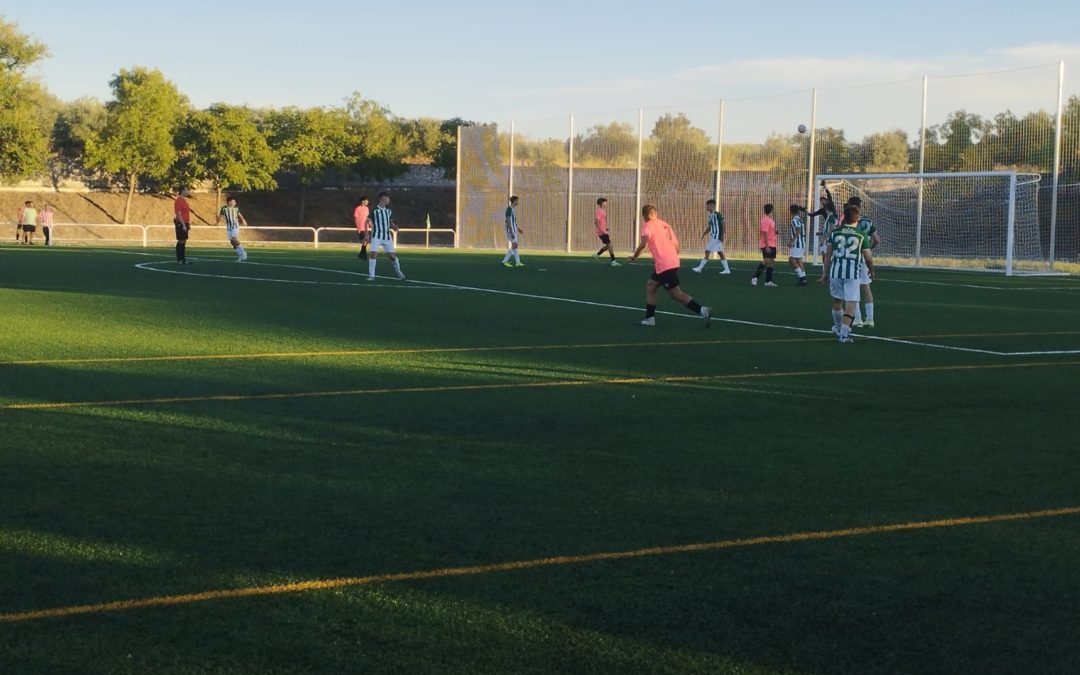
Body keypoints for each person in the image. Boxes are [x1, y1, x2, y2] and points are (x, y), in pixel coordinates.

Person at [627, 204, 711, 327]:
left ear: (646, 215)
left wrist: (634, 257)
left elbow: (644, 244)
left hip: (664, 264)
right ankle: (650, 319)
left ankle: (703, 310)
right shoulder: (664, 224)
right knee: (651, 286)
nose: (644, 219)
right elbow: (676, 245)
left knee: (676, 294)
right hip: (670, 262)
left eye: (644, 216)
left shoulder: (647, 226)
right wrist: (673, 257)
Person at [819, 203, 874, 344]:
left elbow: (828, 255)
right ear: (857, 218)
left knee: (837, 301)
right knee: (851, 303)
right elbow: (868, 257)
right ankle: (844, 334)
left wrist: (825, 273)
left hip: (835, 272)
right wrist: (871, 270)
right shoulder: (861, 235)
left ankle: (838, 328)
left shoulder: (835, 233)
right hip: (852, 274)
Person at [847, 196, 880, 327]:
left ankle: (858, 319)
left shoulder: (850, 220)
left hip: (853, 257)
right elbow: (876, 239)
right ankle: (870, 319)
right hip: (864, 257)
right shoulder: (867, 221)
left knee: (853, 288)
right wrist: (869, 249)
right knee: (866, 287)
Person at [365, 191, 405, 281]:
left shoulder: (388, 211)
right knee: (373, 254)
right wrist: (367, 234)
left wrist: (394, 226)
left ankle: (398, 272)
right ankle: (372, 276)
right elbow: (366, 221)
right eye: (388, 198)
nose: (389, 200)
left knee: (392, 256)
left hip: (386, 236)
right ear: (383, 198)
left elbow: (390, 222)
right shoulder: (374, 210)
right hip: (376, 235)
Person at [692, 199, 730, 274]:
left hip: (717, 237)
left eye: (707, 206)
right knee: (720, 253)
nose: (706, 207)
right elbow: (710, 227)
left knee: (707, 250)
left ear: (711, 206)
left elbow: (723, 223)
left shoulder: (717, 214)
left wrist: (722, 235)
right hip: (714, 236)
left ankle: (699, 268)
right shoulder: (710, 216)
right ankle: (727, 270)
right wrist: (704, 233)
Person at [807, 180, 836, 262]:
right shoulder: (822, 210)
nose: (822, 201)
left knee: (827, 251)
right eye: (821, 201)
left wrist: (825, 187)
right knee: (823, 251)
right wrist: (804, 210)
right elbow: (812, 214)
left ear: (827, 201)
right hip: (829, 230)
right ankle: (826, 264)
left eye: (824, 200)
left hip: (833, 227)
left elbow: (829, 195)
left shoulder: (831, 207)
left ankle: (827, 264)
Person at [752, 203, 778, 286]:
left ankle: (768, 281)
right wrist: (767, 246)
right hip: (767, 244)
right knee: (766, 260)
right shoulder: (765, 220)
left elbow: (770, 231)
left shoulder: (771, 220)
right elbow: (765, 233)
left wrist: (775, 232)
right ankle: (755, 277)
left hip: (773, 243)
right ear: (771, 210)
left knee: (771, 262)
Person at [218, 197, 248, 262]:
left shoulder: (236, 209)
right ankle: (240, 255)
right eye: (233, 201)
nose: (235, 203)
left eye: (235, 202)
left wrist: (243, 220)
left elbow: (239, 214)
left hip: (235, 226)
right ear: (229, 202)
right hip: (229, 227)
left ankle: (243, 252)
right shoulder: (224, 209)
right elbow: (220, 216)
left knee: (234, 239)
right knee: (232, 243)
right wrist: (219, 221)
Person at [592, 198, 619, 266]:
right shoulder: (599, 211)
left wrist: (605, 228)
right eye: (605, 202)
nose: (606, 203)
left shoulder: (602, 211)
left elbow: (601, 221)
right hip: (602, 232)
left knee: (608, 246)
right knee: (610, 246)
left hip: (604, 231)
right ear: (602, 203)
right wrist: (601, 230)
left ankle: (597, 255)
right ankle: (613, 261)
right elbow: (596, 222)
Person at [500, 195, 524, 268]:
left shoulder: (513, 209)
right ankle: (505, 261)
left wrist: (518, 228)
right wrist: (511, 231)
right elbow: (508, 221)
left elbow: (513, 222)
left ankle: (518, 262)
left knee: (515, 246)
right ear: (514, 201)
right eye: (517, 200)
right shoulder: (509, 209)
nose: (518, 202)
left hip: (513, 230)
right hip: (511, 231)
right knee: (515, 245)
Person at [787, 204, 808, 286]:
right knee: (799, 261)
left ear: (791, 211)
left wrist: (792, 241)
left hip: (797, 244)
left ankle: (802, 278)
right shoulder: (799, 219)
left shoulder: (795, 220)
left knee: (791, 260)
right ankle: (804, 279)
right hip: (801, 243)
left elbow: (798, 230)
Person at [174, 187, 192, 264]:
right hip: (181, 223)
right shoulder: (179, 200)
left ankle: (183, 259)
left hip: (185, 223)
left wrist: (187, 223)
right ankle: (179, 259)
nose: (188, 191)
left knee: (184, 240)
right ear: (182, 191)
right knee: (181, 240)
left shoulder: (184, 201)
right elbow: (178, 213)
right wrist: (183, 224)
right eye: (186, 190)